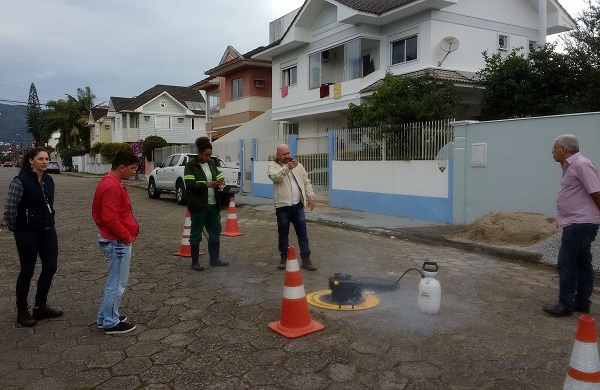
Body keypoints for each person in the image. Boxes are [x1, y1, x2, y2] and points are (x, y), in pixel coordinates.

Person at [3, 148, 64, 327]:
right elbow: (9, 211)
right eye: (40, 159)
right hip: (26, 232)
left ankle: (40, 306)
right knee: (27, 271)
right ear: (31, 161)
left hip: (47, 230)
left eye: (47, 158)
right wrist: (18, 228)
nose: (45, 162)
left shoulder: (49, 180)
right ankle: (22, 310)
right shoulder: (20, 182)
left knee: (50, 267)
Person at [543, 134, 600, 317]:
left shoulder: (581, 164)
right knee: (582, 262)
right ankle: (582, 303)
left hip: (581, 222)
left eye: (554, 148)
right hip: (577, 222)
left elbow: (596, 191)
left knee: (566, 262)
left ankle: (565, 304)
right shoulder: (570, 166)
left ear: (564, 149)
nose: (552, 151)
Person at [92, 151, 139, 334]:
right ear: (122, 167)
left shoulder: (109, 182)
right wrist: (126, 236)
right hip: (117, 241)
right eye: (132, 168)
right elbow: (110, 217)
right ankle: (111, 322)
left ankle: (105, 317)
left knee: (114, 280)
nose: (133, 172)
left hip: (112, 239)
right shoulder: (112, 185)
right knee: (117, 283)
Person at [267, 144, 317, 271]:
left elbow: (306, 182)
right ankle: (284, 258)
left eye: (288, 153)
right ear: (278, 154)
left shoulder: (298, 166)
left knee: (303, 234)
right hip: (282, 207)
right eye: (284, 154)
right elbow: (275, 177)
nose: (287, 156)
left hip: (297, 206)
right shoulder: (273, 166)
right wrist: (287, 168)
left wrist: (310, 197)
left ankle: (306, 260)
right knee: (283, 234)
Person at [184, 136, 229, 271]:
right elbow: (190, 185)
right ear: (199, 152)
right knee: (196, 234)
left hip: (213, 205)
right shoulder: (190, 166)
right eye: (206, 155)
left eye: (210, 155)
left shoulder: (211, 164)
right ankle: (195, 262)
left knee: (215, 232)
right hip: (198, 206)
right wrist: (208, 185)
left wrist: (221, 182)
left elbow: (219, 176)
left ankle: (214, 259)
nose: (208, 158)